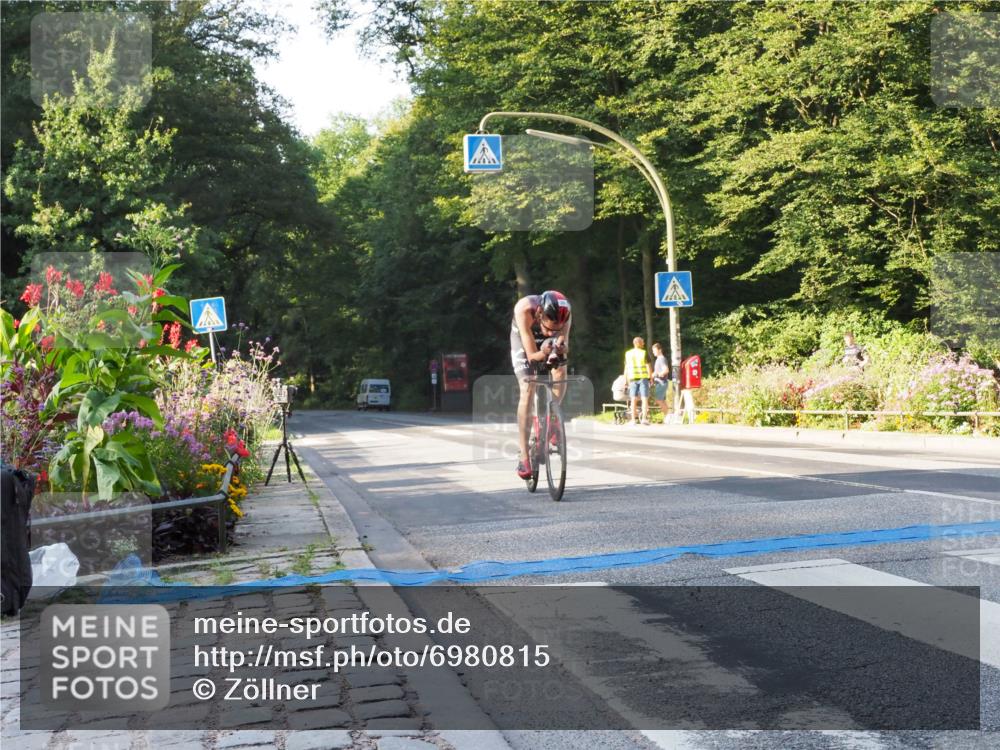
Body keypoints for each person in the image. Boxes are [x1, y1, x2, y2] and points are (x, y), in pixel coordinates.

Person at [511, 290, 572, 479]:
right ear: (540, 314)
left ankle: (553, 417)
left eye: (556, 329)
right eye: (549, 328)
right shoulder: (524, 309)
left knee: (561, 370)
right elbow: (531, 356)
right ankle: (523, 455)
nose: (551, 332)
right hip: (525, 340)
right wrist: (544, 352)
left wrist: (559, 348)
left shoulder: (565, 313)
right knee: (527, 388)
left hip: (548, 344)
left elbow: (564, 345)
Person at [624, 336, 651, 425]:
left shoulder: (628, 354)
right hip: (643, 378)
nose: (643, 343)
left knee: (633, 399)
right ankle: (644, 419)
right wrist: (651, 378)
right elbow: (648, 366)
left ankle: (633, 420)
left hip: (632, 378)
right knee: (644, 398)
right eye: (642, 342)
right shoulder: (643, 353)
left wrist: (625, 381)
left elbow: (626, 368)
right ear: (638, 343)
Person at [651, 342, 672, 422]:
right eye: (653, 351)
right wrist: (652, 375)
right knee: (661, 400)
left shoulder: (661, 359)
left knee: (658, 400)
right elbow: (657, 371)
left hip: (661, 382)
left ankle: (668, 415)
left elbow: (666, 370)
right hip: (660, 382)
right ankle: (668, 416)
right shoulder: (659, 359)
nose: (653, 352)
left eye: (655, 350)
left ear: (660, 350)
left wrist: (659, 374)